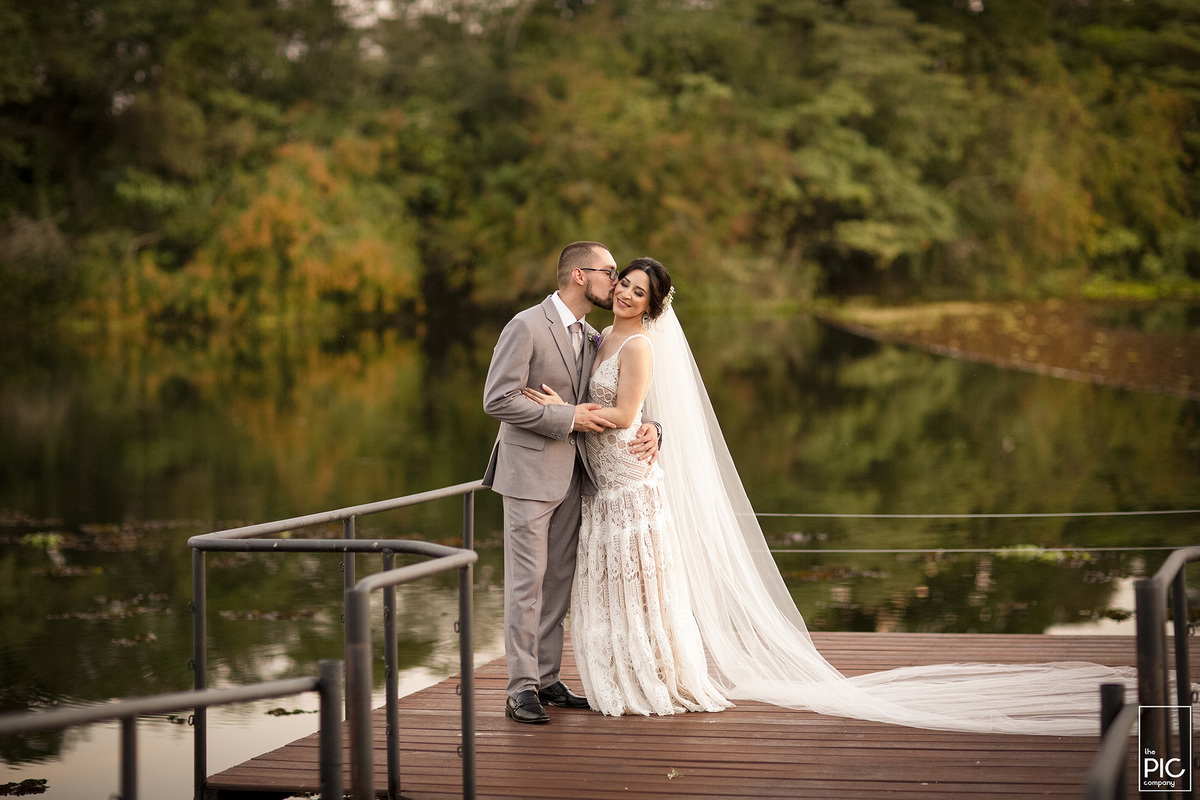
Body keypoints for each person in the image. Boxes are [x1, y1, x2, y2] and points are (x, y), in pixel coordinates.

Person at [524, 256, 1148, 735]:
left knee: (644, 581)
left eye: (638, 290)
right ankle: (622, 678)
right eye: (624, 284)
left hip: (631, 484)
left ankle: (655, 681)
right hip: (604, 485)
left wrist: (570, 413)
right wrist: (625, 420)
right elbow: (635, 411)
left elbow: (626, 414)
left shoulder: (638, 345)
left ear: (653, 304)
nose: (626, 293)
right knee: (615, 581)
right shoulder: (599, 338)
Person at [482, 241, 660, 725]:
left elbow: (621, 397)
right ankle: (520, 689)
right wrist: (567, 417)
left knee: (558, 582)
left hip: (577, 475)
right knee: (526, 585)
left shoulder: (594, 335)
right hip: (528, 474)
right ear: (581, 275)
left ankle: (546, 677)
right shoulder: (526, 326)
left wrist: (654, 427)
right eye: (610, 272)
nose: (616, 282)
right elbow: (497, 399)